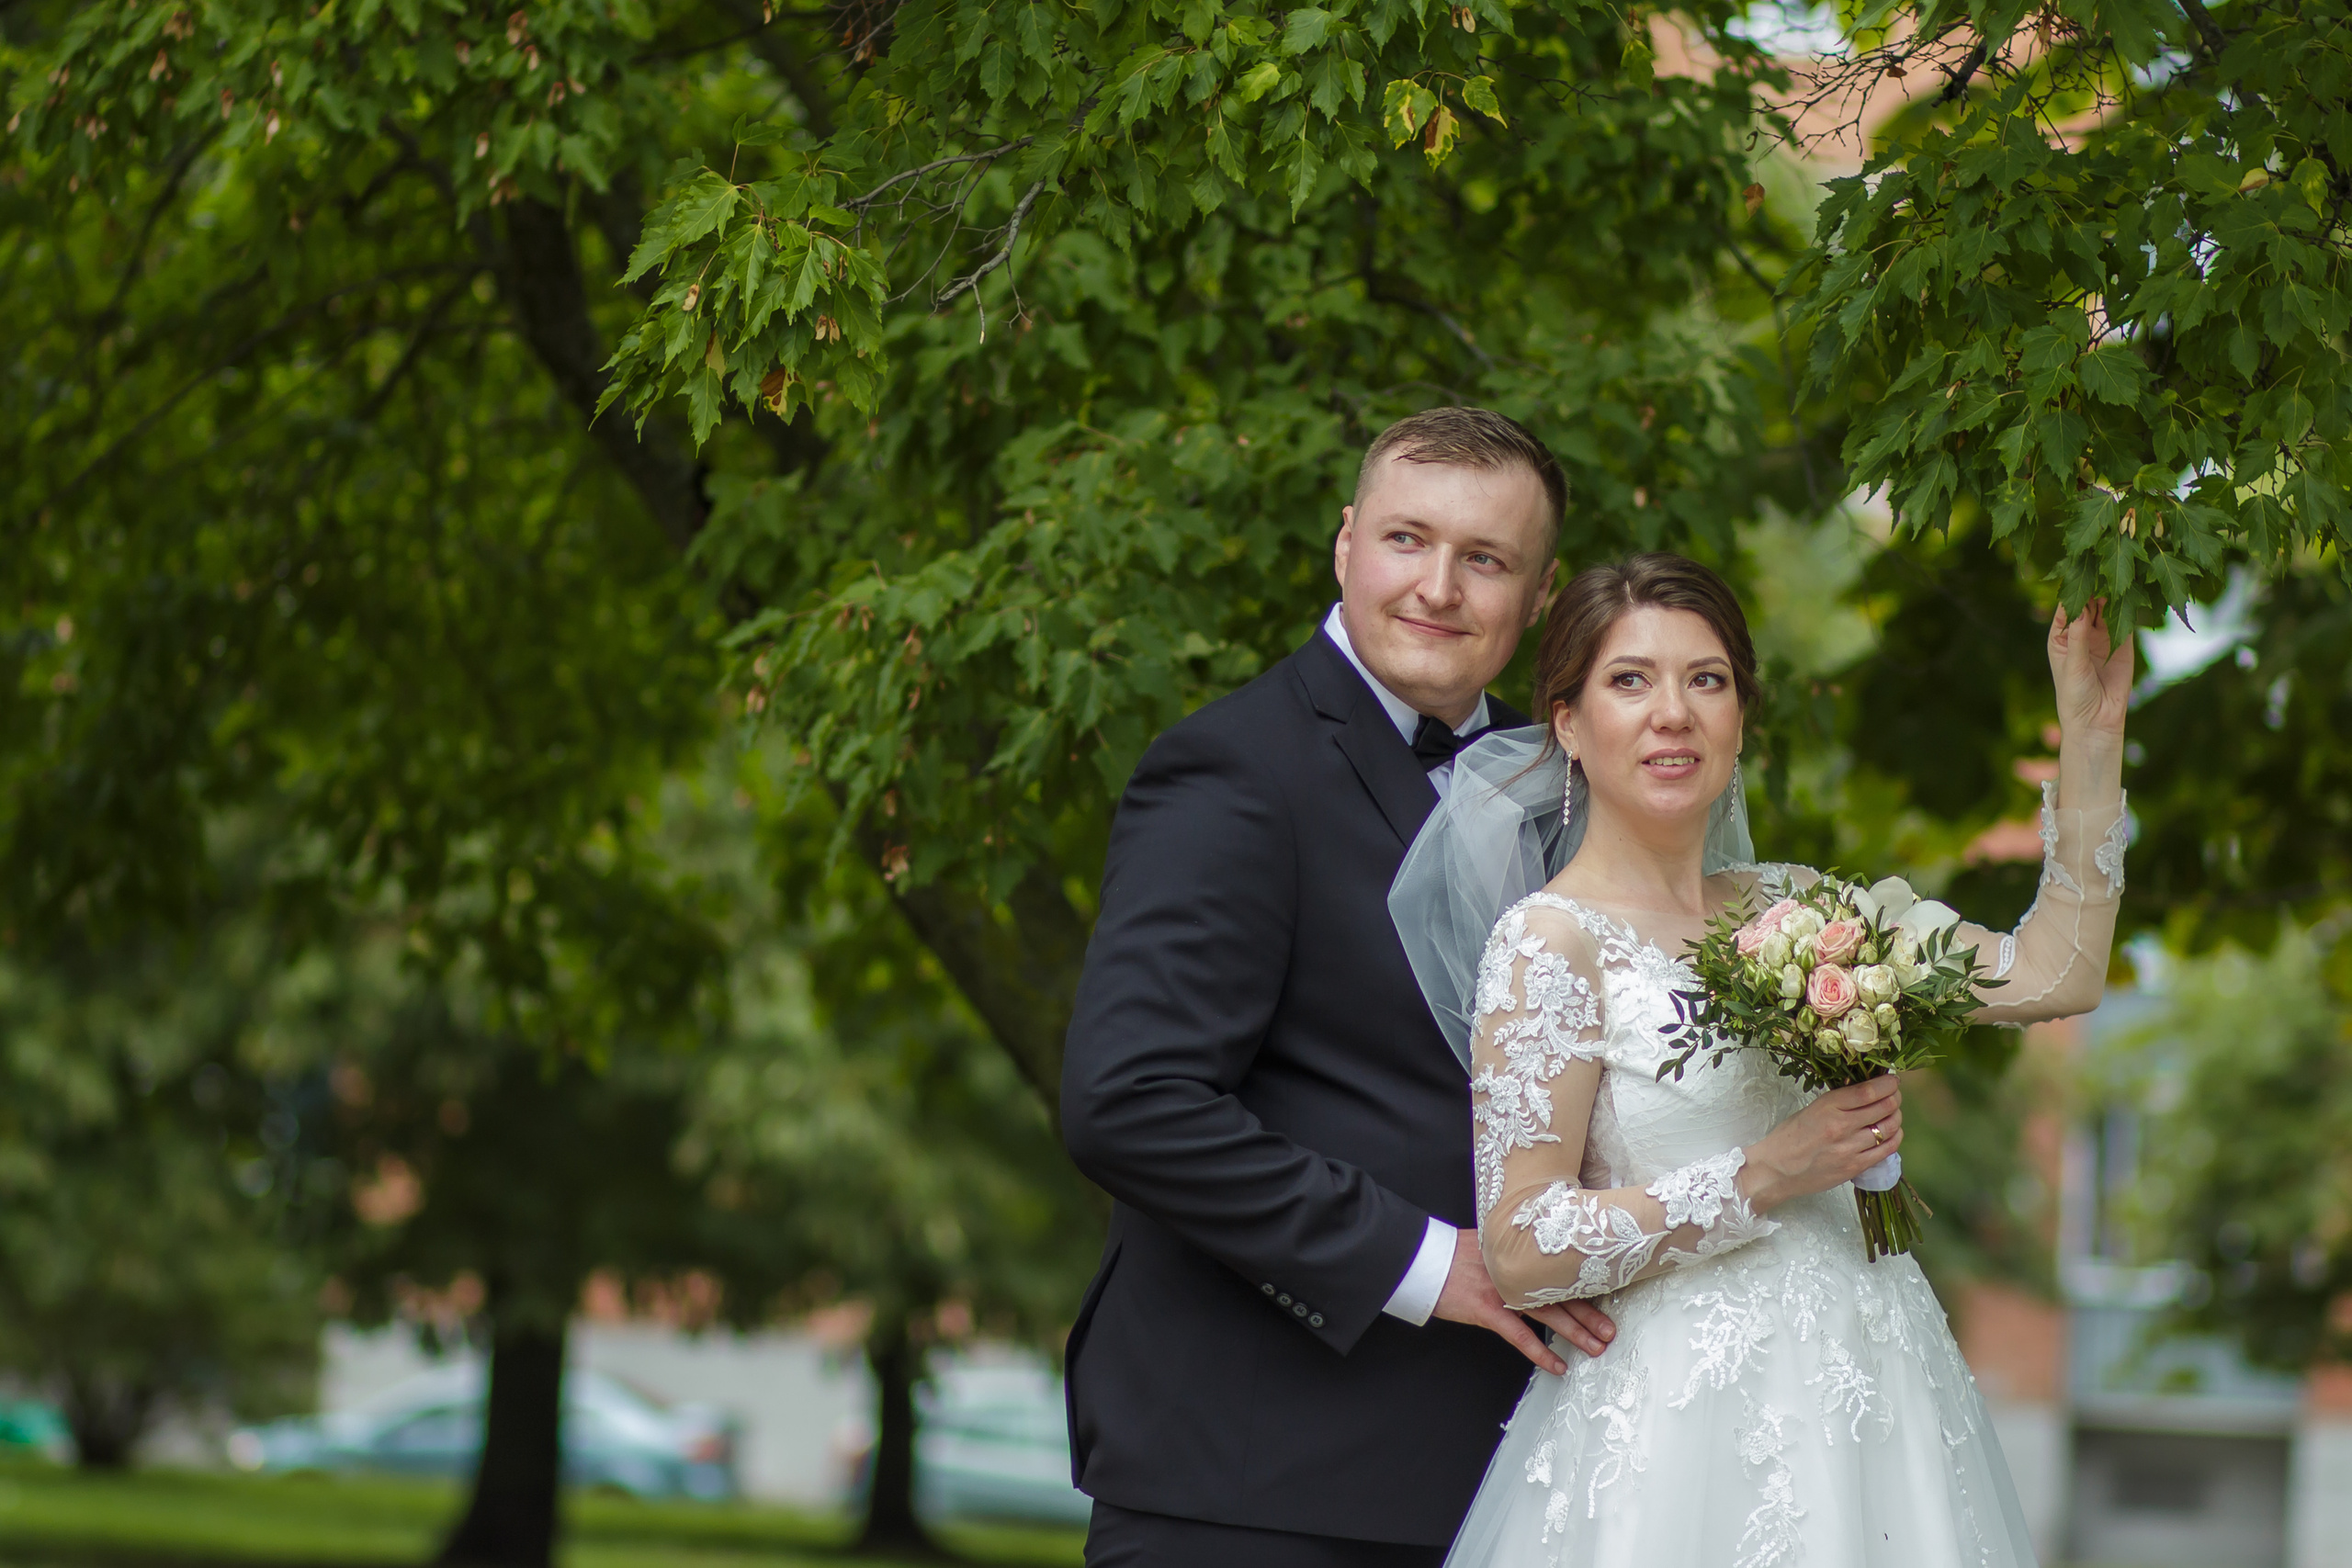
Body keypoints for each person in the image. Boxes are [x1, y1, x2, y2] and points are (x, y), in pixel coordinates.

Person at [1406, 552, 2132, 1568]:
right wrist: (1766, 1173)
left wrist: (2091, 743)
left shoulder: (1800, 906)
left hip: (1876, 1398)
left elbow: (2054, 974)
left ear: (1740, 716)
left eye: (1705, 680)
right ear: (1566, 723)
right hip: (1678, 1426)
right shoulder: (1548, 942)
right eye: (1630, 681)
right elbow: (1521, 1245)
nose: (1673, 713)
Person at [1059, 408, 1623, 1567]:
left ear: (1538, 593)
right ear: (1345, 545)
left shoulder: (1569, 792)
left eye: (1485, 559)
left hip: (1515, 1475)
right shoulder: (1230, 770)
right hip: (1254, 1484)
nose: (1438, 587)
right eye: (1407, 541)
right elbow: (1133, 1102)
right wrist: (1434, 1263)